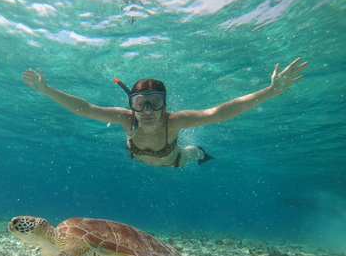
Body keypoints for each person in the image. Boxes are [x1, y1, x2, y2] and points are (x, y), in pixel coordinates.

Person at [22, 58, 309, 168]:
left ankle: (199, 152)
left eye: (154, 102)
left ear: (165, 104)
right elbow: (86, 109)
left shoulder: (176, 121)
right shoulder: (126, 118)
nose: (146, 111)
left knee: (192, 153)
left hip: (174, 160)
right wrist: (47, 90)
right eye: (139, 103)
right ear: (131, 104)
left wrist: (270, 91)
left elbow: (220, 112)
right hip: (137, 154)